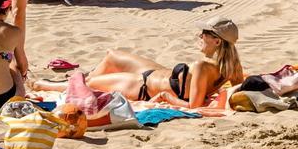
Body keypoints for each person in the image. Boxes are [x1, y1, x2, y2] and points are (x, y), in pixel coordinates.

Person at [30, 17, 244, 109]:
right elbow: (239, 85)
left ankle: (45, 85)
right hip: (159, 74)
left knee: (92, 84)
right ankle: (81, 79)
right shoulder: (232, 66)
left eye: (204, 33)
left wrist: (167, 97)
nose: (200, 35)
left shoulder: (201, 66)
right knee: (112, 55)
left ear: (217, 41)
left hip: (142, 86)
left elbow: (194, 106)